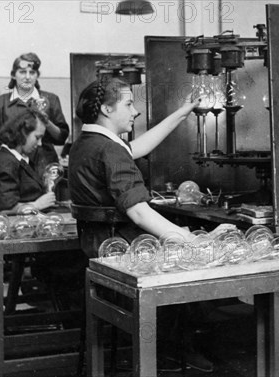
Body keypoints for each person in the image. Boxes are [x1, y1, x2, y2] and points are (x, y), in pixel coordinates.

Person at [69, 77, 234, 372]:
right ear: (107, 109)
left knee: (181, 237)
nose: (135, 111)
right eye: (129, 104)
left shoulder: (86, 144)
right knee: (206, 259)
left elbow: (136, 148)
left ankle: (170, 344)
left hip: (98, 247)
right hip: (124, 252)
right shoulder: (109, 150)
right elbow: (140, 214)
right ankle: (172, 349)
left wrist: (181, 113)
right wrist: (193, 240)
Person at [0, 109, 85, 310]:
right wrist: (37, 205)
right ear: (22, 133)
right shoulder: (6, 163)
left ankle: (70, 316)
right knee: (77, 258)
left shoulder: (17, 159)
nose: (39, 144)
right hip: (25, 237)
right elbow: (4, 208)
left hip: (33, 232)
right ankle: (71, 319)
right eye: (37, 137)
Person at [0, 52, 69, 177]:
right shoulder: (0, 103)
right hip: (13, 163)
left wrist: (46, 121)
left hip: (45, 163)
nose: (27, 77)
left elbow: (61, 138)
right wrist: (11, 128)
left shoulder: (51, 99)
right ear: (13, 75)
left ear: (37, 75)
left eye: (32, 73)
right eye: (22, 72)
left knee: (48, 195)